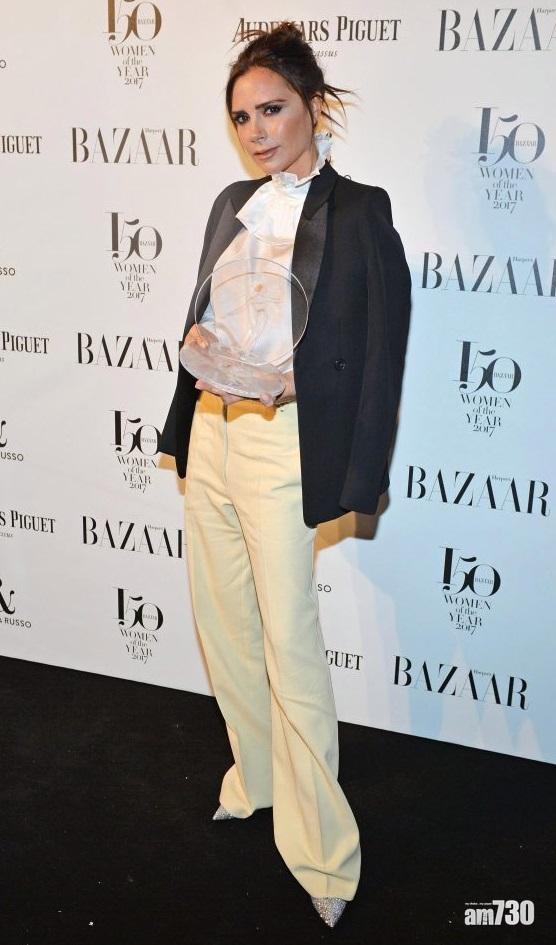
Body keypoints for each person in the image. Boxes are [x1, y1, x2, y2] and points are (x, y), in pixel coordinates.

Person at [159, 22, 411, 929]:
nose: (257, 131)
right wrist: (198, 345)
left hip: (282, 445)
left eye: (272, 110)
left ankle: (324, 853)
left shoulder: (360, 210)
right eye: (242, 117)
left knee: (290, 645)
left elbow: (378, 353)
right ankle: (256, 776)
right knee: (225, 628)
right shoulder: (231, 202)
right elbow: (219, 313)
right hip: (212, 435)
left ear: (312, 105)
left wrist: (354, 465)